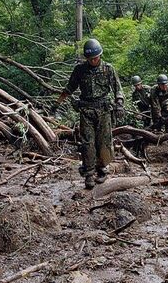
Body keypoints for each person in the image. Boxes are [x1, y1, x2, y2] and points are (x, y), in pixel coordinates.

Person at [53, 39, 124, 189]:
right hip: (86, 111)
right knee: (87, 143)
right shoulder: (80, 70)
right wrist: (57, 103)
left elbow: (118, 88)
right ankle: (89, 173)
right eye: (90, 59)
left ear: (100, 55)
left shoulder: (108, 69)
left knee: (104, 142)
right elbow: (69, 88)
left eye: (96, 58)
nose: (93, 60)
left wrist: (119, 104)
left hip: (103, 110)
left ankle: (102, 169)